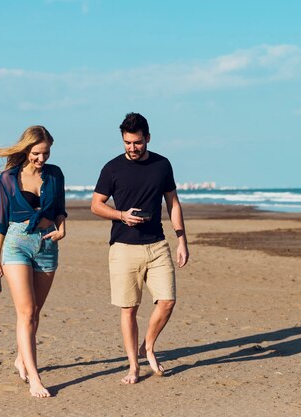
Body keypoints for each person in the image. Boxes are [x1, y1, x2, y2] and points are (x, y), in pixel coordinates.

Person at [91, 112, 189, 384]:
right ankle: (133, 365)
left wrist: (181, 239)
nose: (132, 148)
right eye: (127, 143)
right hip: (123, 248)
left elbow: (173, 204)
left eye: (137, 143)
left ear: (147, 138)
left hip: (157, 245)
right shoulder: (112, 168)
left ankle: (149, 346)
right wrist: (121, 215)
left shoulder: (162, 165)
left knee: (167, 301)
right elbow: (96, 205)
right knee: (129, 309)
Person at [0, 126, 67, 398]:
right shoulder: (8, 179)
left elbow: (60, 210)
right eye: (36, 153)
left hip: (47, 245)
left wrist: (62, 228)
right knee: (27, 312)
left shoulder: (55, 175)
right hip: (16, 244)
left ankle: (21, 358)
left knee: (35, 312)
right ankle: (34, 377)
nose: (42, 159)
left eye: (46, 153)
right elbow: (0, 223)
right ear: (26, 150)